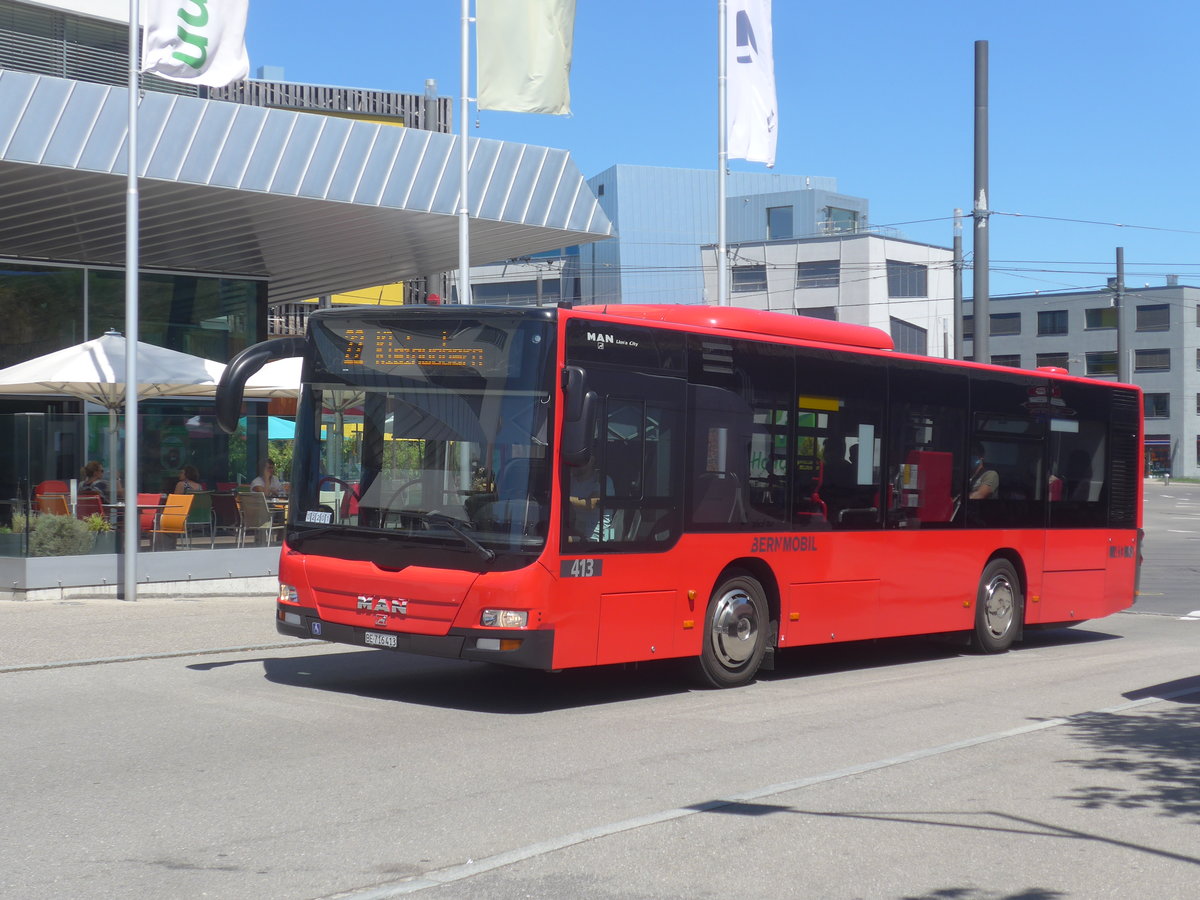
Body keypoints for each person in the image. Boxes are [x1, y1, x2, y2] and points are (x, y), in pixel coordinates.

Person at [567, 456, 613, 542]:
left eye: (578, 460)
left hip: (595, 536)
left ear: (591, 460)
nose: (574, 464)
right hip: (578, 530)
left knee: (559, 541)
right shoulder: (572, 480)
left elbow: (591, 504)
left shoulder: (602, 480)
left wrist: (563, 498)